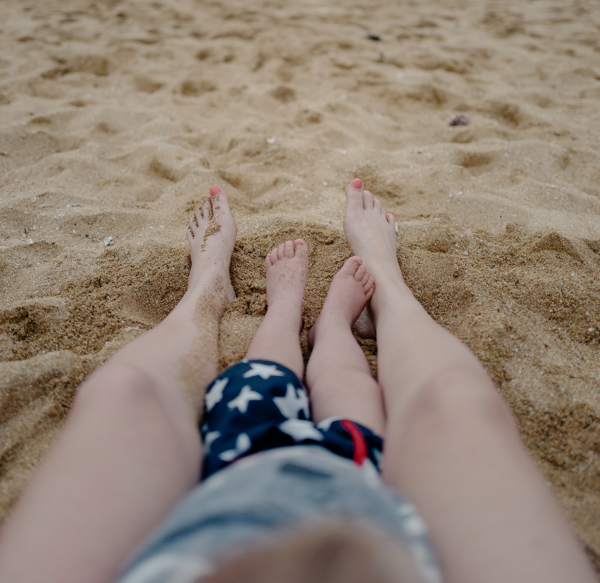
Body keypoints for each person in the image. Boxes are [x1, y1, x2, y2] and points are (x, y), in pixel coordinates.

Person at [0, 182, 595, 583]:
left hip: (236, 464)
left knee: (129, 392)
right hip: (355, 468)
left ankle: (217, 295)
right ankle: (360, 304)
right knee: (439, 401)